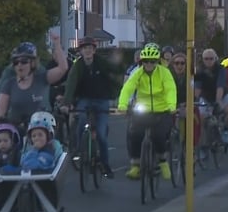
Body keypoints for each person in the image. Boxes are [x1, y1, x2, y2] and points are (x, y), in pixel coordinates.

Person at [117, 44, 177, 180]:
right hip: (143, 109)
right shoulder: (138, 73)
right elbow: (128, 88)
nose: (149, 64)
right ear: (141, 62)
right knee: (134, 133)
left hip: (162, 110)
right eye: (146, 61)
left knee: (159, 135)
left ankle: (163, 162)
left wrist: (171, 105)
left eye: (152, 61)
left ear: (157, 62)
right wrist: (122, 104)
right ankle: (135, 166)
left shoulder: (164, 73)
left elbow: (170, 89)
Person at [62, 36, 118, 177]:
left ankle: (105, 165)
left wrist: (116, 95)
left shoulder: (102, 63)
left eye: (90, 48)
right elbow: (71, 84)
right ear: (80, 51)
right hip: (85, 99)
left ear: (94, 50)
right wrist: (67, 103)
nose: (87, 51)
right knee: (81, 120)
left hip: (101, 100)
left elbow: (114, 76)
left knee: (101, 136)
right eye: (84, 48)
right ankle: (81, 149)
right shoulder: (78, 66)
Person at [0, 35, 67, 127]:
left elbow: (63, 68)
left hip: (41, 130)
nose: (19, 65)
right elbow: (0, 113)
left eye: (24, 61)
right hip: (16, 129)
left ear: (33, 63)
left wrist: (57, 44)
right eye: (16, 62)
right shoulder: (9, 84)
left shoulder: (43, 78)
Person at [195, 48, 228, 141]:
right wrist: (195, 101)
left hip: (222, 95)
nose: (209, 61)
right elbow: (197, 88)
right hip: (206, 96)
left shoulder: (221, 69)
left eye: (211, 58)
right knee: (200, 117)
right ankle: (203, 139)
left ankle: (226, 129)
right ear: (202, 59)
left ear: (215, 59)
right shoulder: (199, 70)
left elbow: (220, 86)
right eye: (206, 59)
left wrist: (218, 101)